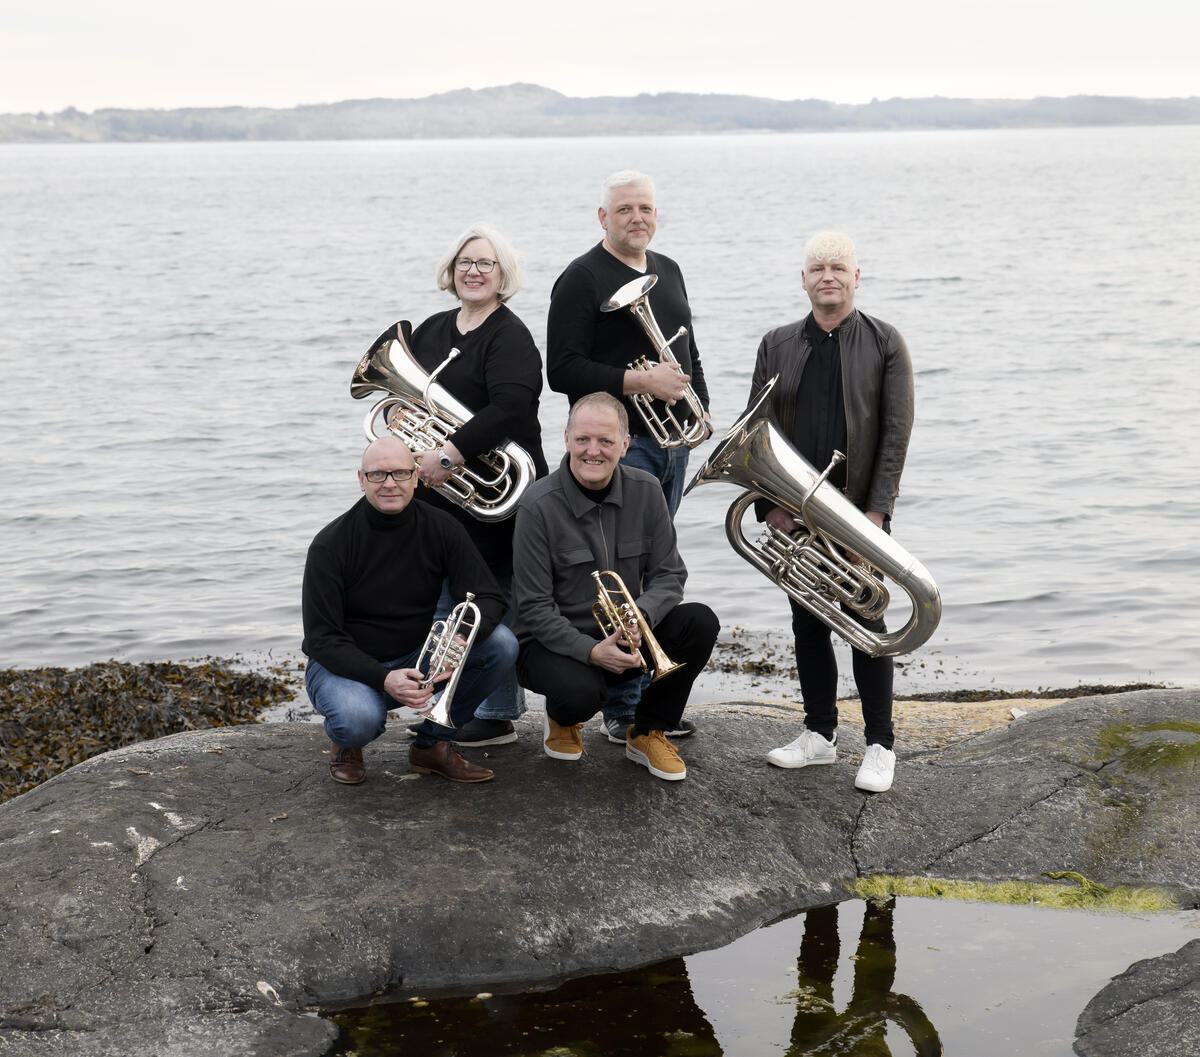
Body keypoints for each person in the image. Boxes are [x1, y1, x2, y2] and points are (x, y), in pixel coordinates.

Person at [546, 170, 710, 740]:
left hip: (671, 445)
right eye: (624, 209)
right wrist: (641, 383)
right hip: (615, 449)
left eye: (645, 208)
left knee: (655, 568)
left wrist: (699, 409)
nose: (636, 218)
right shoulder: (580, 278)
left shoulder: (669, 269)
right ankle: (622, 709)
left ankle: (645, 702)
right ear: (603, 217)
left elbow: (685, 351)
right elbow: (561, 370)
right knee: (615, 574)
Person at [752, 232, 914, 794]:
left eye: (838, 268)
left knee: (867, 623)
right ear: (803, 280)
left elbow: (896, 433)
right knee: (808, 623)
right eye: (818, 268)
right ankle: (819, 734)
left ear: (856, 277)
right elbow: (757, 430)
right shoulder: (776, 343)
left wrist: (875, 516)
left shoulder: (885, 341)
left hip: (861, 513)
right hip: (794, 509)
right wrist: (770, 505)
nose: (828, 276)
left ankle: (880, 745)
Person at [392, 223, 548, 748]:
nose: (473, 272)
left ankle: (496, 713)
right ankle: (445, 706)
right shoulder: (433, 330)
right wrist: (402, 427)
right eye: (465, 262)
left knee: (489, 598)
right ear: (451, 270)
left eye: (485, 263)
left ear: (504, 275)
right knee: (446, 602)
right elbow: (409, 401)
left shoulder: (510, 336)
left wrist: (450, 453)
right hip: (442, 494)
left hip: (496, 492)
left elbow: (511, 407)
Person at [511, 392, 719, 782]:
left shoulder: (647, 490)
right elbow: (534, 608)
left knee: (699, 622)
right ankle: (562, 718)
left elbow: (670, 575)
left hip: (626, 634)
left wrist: (641, 618)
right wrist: (591, 651)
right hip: (556, 647)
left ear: (625, 445)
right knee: (579, 693)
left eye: (605, 441)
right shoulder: (537, 505)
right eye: (583, 439)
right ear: (567, 439)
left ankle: (647, 732)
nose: (593, 451)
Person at [301, 435, 518, 785]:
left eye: (400, 473)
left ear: (416, 477)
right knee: (357, 720)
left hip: (415, 656)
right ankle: (346, 743)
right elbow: (321, 639)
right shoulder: (331, 544)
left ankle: (432, 745)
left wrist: (459, 641)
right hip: (343, 667)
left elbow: (489, 597)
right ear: (361, 480)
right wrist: (384, 679)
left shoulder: (442, 527)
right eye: (377, 474)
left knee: (501, 644)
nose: (390, 483)